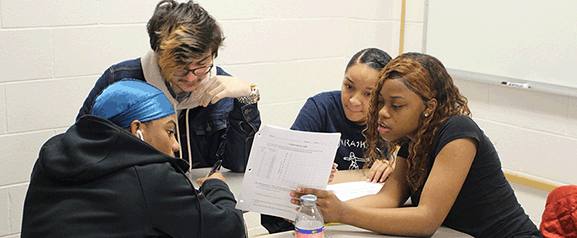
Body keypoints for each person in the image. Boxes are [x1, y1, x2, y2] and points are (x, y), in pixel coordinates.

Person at [290, 53, 543, 237]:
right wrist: (325, 206)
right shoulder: (414, 138)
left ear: (429, 107)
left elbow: (426, 220)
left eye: (396, 105)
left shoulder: (458, 133)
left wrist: (344, 213)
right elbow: (389, 197)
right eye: (380, 102)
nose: (382, 113)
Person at [21, 79, 245, 237]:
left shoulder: (51, 156)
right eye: (169, 131)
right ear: (137, 130)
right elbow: (231, 230)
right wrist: (216, 186)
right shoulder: (150, 178)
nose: (176, 144)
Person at [76, 0, 261, 173]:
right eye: (180, 68)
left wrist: (246, 98)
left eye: (201, 66)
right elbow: (81, 149)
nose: (190, 77)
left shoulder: (222, 89)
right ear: (158, 54)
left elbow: (240, 165)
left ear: (214, 54)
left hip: (202, 199)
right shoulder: (120, 82)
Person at [261, 48, 394, 234]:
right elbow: (287, 164)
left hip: (361, 219)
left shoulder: (389, 117)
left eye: (368, 94)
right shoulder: (320, 107)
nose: (354, 101)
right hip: (310, 219)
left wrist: (392, 167)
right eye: (349, 86)